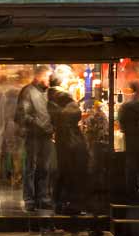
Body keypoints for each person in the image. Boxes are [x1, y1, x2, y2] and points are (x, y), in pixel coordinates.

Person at [48, 75, 88, 214]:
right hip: (67, 141)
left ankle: (61, 203)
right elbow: (74, 112)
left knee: (64, 172)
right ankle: (68, 204)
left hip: (64, 140)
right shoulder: (60, 95)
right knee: (69, 172)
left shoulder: (54, 97)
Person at [15, 65, 53, 211]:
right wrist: (40, 125)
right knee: (30, 167)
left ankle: (42, 197)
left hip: (45, 134)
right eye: (47, 76)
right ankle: (30, 199)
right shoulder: (28, 91)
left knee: (44, 167)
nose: (49, 80)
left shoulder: (47, 92)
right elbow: (23, 114)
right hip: (32, 135)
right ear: (39, 76)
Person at [82, 99, 109, 213]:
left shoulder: (94, 116)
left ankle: (95, 192)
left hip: (95, 144)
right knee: (99, 168)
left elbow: (89, 128)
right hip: (102, 144)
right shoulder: (103, 115)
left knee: (94, 168)